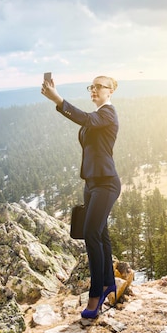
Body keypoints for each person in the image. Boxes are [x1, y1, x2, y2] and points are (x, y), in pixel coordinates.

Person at [41, 75, 121, 319]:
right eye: (92, 86)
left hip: (106, 184)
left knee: (90, 234)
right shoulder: (96, 117)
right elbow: (86, 121)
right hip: (92, 183)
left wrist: (58, 100)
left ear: (111, 91)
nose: (94, 90)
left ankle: (95, 295)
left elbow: (85, 118)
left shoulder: (108, 114)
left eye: (99, 86)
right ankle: (108, 282)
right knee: (100, 234)